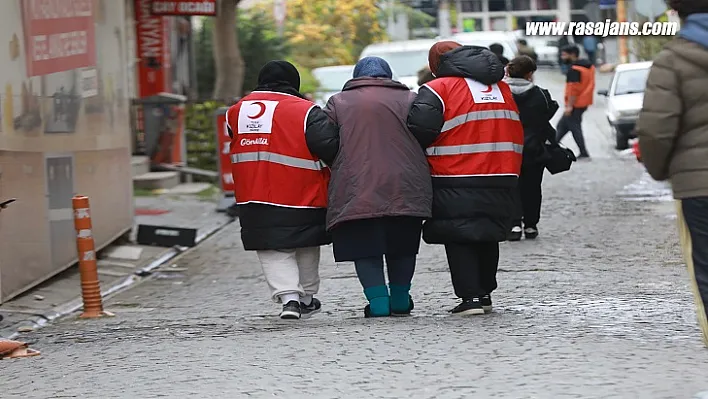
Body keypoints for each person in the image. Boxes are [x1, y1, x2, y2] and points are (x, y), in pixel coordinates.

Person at [305, 57, 432, 318]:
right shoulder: (410, 99)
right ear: (388, 75)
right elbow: (427, 130)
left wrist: (338, 159)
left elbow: (322, 138)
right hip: (405, 182)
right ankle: (399, 298)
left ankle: (378, 303)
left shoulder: (338, 102)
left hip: (356, 183)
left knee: (364, 246)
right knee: (403, 244)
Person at [407, 41, 524, 315]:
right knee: (488, 232)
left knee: (459, 234)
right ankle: (485, 293)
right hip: (503, 171)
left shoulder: (439, 89)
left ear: (436, 64)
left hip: (455, 172)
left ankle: (470, 297)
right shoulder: (500, 88)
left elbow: (419, 129)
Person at [226, 60, 331, 320]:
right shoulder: (307, 111)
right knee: (306, 242)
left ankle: (289, 299)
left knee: (272, 247)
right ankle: (306, 297)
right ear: (293, 83)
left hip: (253, 195)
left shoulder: (235, 112)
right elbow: (329, 148)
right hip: (303, 192)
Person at [634, 0, 708, 347]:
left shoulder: (674, 60)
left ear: (676, 11)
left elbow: (656, 129)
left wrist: (660, 170)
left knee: (705, 268)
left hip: (699, 184)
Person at [504, 56, 560, 241]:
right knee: (533, 188)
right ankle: (530, 225)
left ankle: (513, 224)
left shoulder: (500, 93)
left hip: (505, 150)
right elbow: (546, 118)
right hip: (533, 149)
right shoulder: (541, 95)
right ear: (529, 74)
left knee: (510, 188)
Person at [556, 44, 594, 159]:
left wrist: (569, 106)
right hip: (584, 101)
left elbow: (573, 90)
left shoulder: (574, 70)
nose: (562, 57)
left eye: (564, 55)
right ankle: (550, 147)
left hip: (575, 104)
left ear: (572, 55)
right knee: (562, 126)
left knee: (573, 127)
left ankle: (584, 152)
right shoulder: (588, 67)